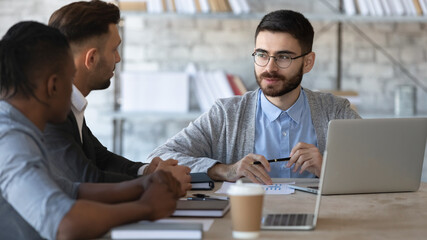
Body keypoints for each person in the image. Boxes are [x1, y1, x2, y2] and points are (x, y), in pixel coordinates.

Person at [0, 21, 182, 240]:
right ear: (53, 86)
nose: (74, 89)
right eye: (70, 78)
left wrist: (142, 184)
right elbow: (65, 225)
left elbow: (72, 191)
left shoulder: (18, 127)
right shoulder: (11, 139)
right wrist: (146, 208)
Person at [148, 10, 361, 185]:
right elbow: (158, 158)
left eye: (283, 57)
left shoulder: (336, 111)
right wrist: (225, 170)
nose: (270, 68)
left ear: (308, 62)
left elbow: (381, 168)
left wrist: (327, 169)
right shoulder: (226, 114)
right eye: (262, 55)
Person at [43, 0, 191, 193]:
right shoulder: (50, 112)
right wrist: (161, 182)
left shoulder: (70, 103)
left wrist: (146, 171)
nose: (118, 58)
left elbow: (101, 158)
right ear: (92, 59)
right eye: (114, 49)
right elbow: (87, 181)